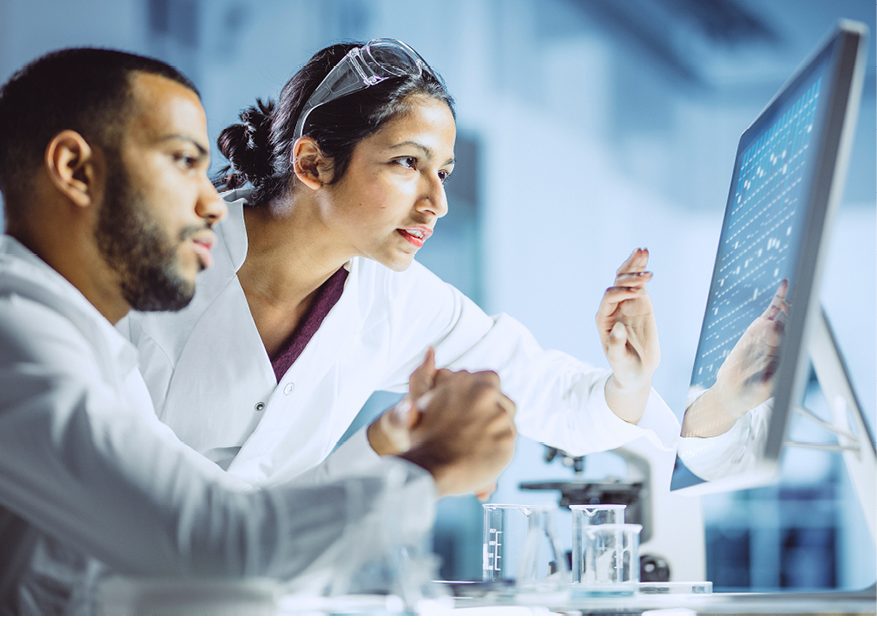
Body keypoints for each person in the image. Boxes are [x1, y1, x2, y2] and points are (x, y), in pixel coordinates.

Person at [0, 47, 516, 615]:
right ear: (76, 169)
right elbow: (216, 542)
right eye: (181, 161)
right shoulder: (16, 339)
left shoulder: (86, 341)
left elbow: (229, 513)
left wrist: (389, 442)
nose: (212, 204)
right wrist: (434, 468)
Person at [120, 39, 680, 488]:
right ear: (312, 163)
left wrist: (629, 379)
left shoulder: (394, 296)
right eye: (407, 162)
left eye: (444, 173)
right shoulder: (150, 264)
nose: (435, 203)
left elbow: (553, 398)